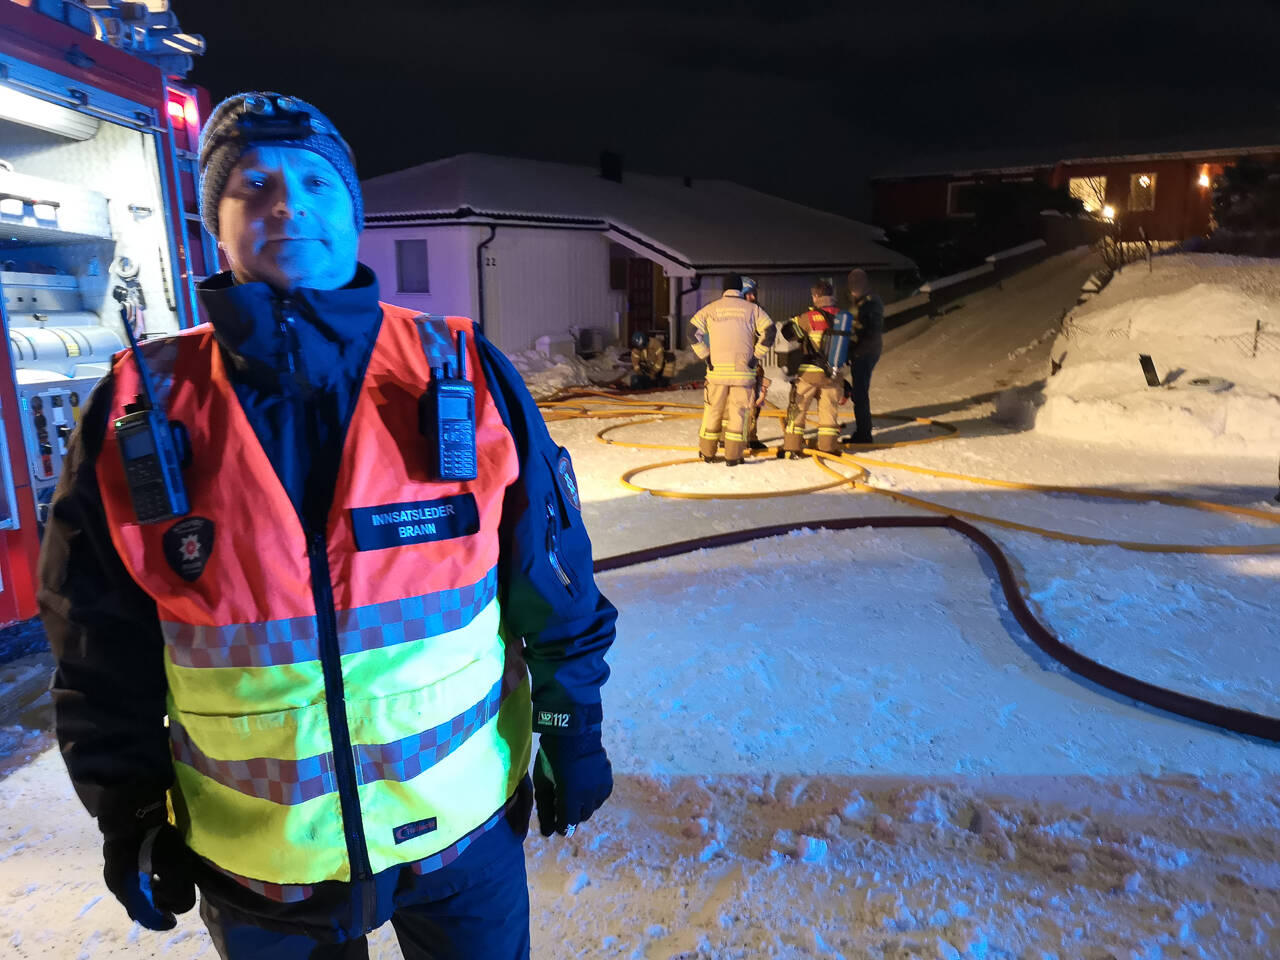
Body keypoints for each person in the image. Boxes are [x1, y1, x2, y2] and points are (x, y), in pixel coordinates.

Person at [37, 91, 617, 960]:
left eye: (315, 181)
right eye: (254, 185)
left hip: (461, 839)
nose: (286, 203)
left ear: (353, 212)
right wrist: (127, 811)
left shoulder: (460, 373)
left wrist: (573, 733)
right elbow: (97, 645)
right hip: (260, 871)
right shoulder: (137, 408)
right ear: (215, 225)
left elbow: (553, 583)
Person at [689, 274, 774, 466]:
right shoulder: (753, 310)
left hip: (717, 372)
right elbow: (770, 332)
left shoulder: (711, 308)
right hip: (743, 373)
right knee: (739, 414)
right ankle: (734, 456)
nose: (752, 297)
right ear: (740, 289)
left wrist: (706, 356)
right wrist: (755, 357)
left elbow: (691, 332)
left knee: (712, 412)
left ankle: (707, 453)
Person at [779, 278, 844, 457]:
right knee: (829, 410)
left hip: (810, 373)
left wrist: (794, 320)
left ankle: (792, 448)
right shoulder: (843, 317)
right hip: (834, 374)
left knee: (798, 408)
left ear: (815, 296)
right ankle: (828, 447)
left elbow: (788, 334)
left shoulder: (810, 317)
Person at [840, 268, 884, 445]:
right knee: (859, 391)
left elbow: (867, 332)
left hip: (865, 352)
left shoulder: (870, 303)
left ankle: (864, 434)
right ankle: (863, 430)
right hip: (862, 351)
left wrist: (852, 349)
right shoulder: (861, 301)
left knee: (860, 392)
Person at [740, 277, 771, 451]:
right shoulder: (732, 312)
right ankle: (731, 438)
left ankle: (751, 437)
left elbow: (767, 332)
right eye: (748, 294)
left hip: (753, 364)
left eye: (754, 294)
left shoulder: (757, 311)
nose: (752, 297)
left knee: (755, 403)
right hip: (738, 365)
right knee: (737, 404)